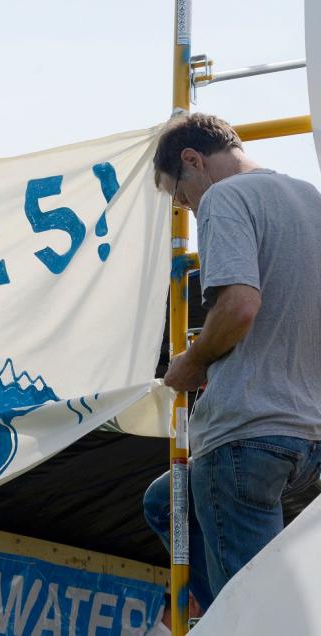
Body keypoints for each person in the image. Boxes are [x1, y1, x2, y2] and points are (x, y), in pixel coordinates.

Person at [143, 113, 321, 608]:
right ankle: (222, 607)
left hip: (244, 436)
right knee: (166, 501)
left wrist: (194, 361)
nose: (186, 208)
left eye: (179, 196)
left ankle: (231, 612)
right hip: (307, 438)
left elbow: (240, 305)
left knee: (254, 614)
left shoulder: (224, 198)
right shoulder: (311, 198)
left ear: (193, 160)